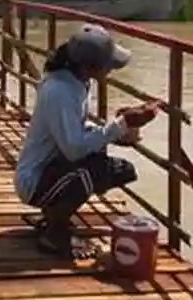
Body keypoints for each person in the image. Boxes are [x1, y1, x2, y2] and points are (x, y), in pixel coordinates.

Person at [13, 25, 159, 259]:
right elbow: (74, 149)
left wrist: (118, 131)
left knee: (119, 170)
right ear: (90, 67)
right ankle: (54, 234)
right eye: (108, 65)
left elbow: (76, 132)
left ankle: (53, 215)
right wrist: (121, 124)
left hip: (52, 167)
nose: (111, 69)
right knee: (91, 173)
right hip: (35, 180)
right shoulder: (60, 91)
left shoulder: (76, 82)